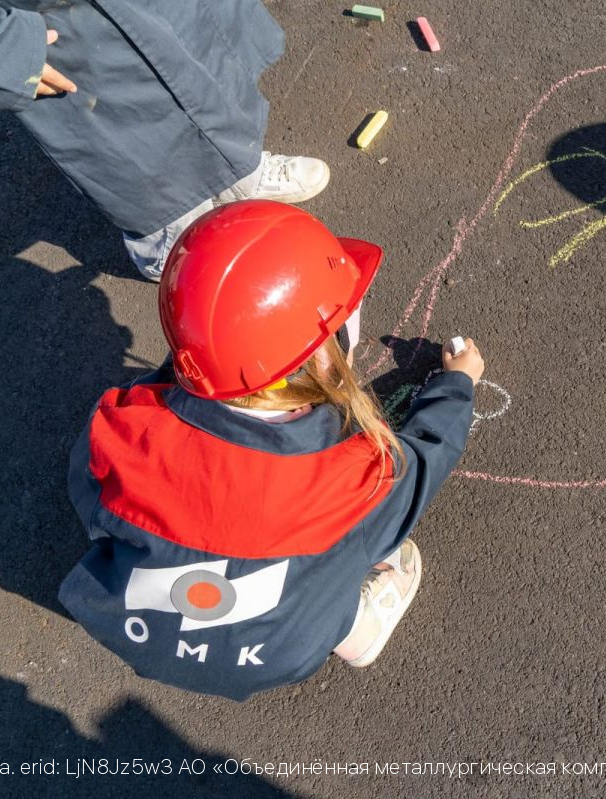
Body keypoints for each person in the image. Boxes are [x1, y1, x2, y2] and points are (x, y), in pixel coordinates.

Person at [58, 201, 484, 700]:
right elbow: (429, 456)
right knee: (375, 534)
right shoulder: (358, 475)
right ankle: (359, 630)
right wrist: (457, 386)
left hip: (128, 625)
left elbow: (86, 498)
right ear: (326, 355)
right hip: (278, 651)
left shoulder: (120, 428)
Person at [0, 1, 328, 280]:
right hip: (54, 18)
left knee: (199, 62)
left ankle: (240, 170)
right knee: (121, 129)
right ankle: (168, 238)